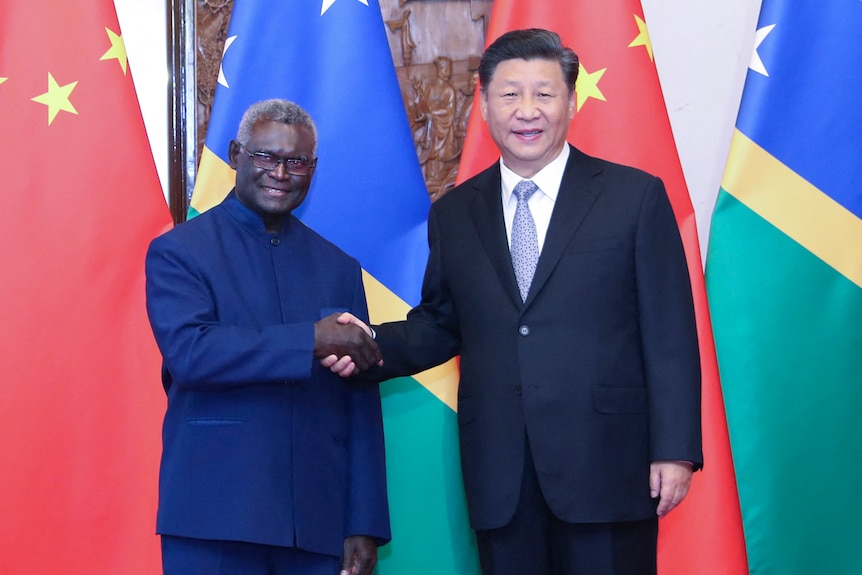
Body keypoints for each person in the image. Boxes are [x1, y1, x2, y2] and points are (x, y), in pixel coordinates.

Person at [331, 28, 702, 575]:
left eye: (544, 94)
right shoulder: (455, 213)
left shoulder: (634, 197)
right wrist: (361, 346)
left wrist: (674, 448)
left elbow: (670, 333)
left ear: (571, 102)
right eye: (509, 94)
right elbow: (440, 323)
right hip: (502, 473)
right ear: (483, 105)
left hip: (607, 465)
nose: (527, 110)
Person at [145, 99, 389, 575]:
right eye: (265, 157)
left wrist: (363, 521)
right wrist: (310, 340)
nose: (280, 172)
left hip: (316, 522)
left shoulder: (338, 268)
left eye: (295, 161)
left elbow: (359, 400)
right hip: (214, 515)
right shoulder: (179, 252)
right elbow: (193, 354)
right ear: (236, 154)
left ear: (312, 169)